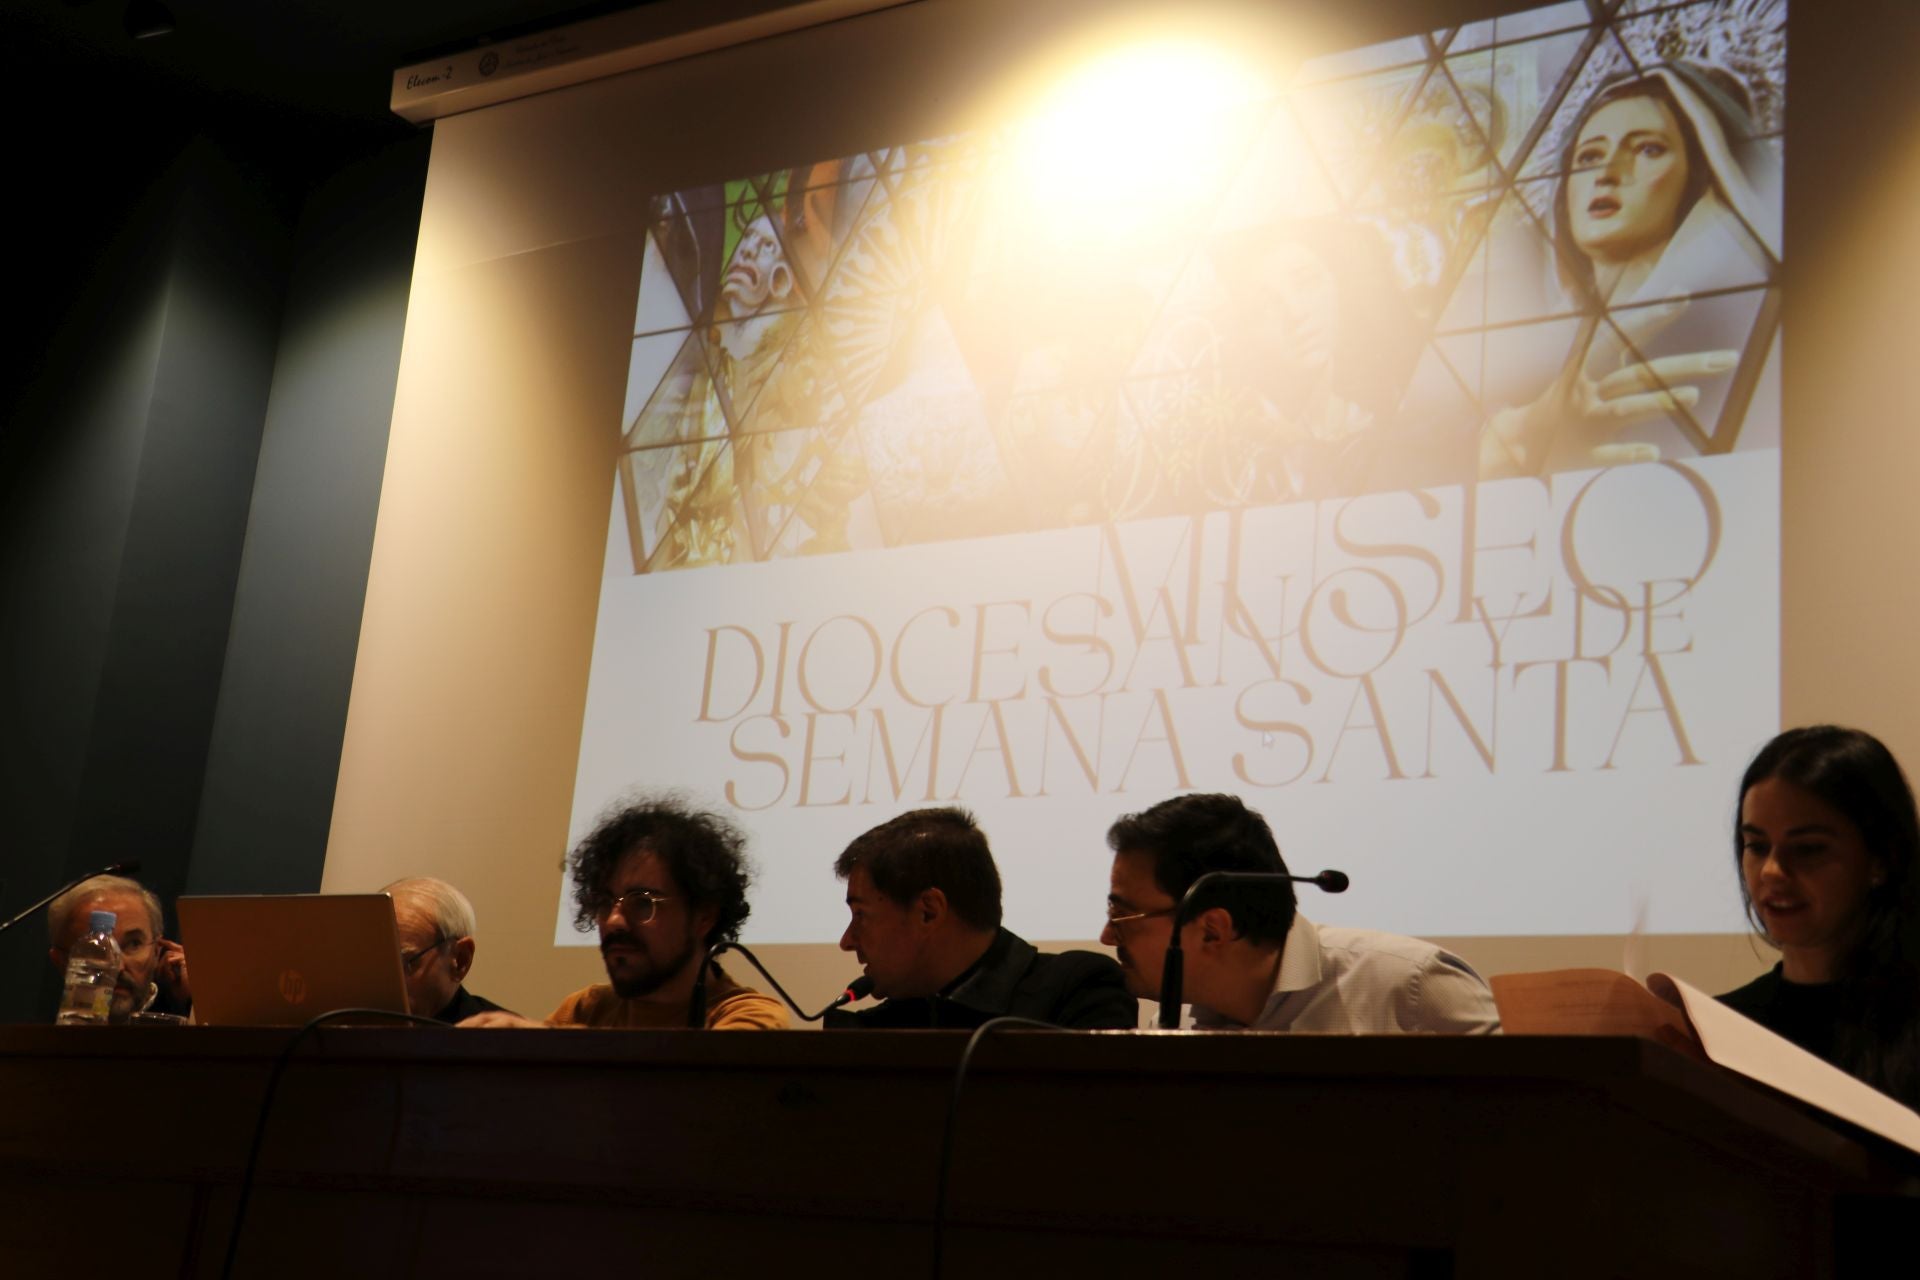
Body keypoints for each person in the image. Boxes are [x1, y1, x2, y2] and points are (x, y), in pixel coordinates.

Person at [1479, 60, 1781, 478]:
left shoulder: (1749, 327)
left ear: (1702, 175)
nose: (1607, 174)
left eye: (1647, 149)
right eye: (1588, 156)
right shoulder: (1513, 356)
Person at [1100, 794, 1498, 1033]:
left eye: (1123, 916)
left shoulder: (1413, 985)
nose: (1107, 935)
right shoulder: (1174, 1024)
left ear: (1213, 930)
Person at [1719, 726, 1920, 1107]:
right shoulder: (1720, 1030)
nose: (1771, 872)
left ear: (1881, 859)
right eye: (1757, 846)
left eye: (1808, 849)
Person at [460, 797, 788, 1030]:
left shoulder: (749, 1016)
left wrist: (545, 1041)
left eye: (642, 902)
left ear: (704, 916)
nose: (614, 921)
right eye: (605, 902)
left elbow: (693, 1086)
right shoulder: (587, 1009)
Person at [825, 807, 1137, 1030]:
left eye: (861, 915)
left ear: (929, 911)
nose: (847, 941)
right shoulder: (869, 1031)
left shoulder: (1081, 992)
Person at [46, 874, 191, 1021]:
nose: (118, 967)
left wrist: (197, 1000)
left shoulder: (184, 1026)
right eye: (96, 949)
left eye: (134, 944)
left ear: (156, 952)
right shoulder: (35, 1040)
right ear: (61, 962)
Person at [381, 877, 508, 1024]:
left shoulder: (507, 1039)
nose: (383, 980)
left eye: (404, 964)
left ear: (460, 960)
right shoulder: (350, 1028)